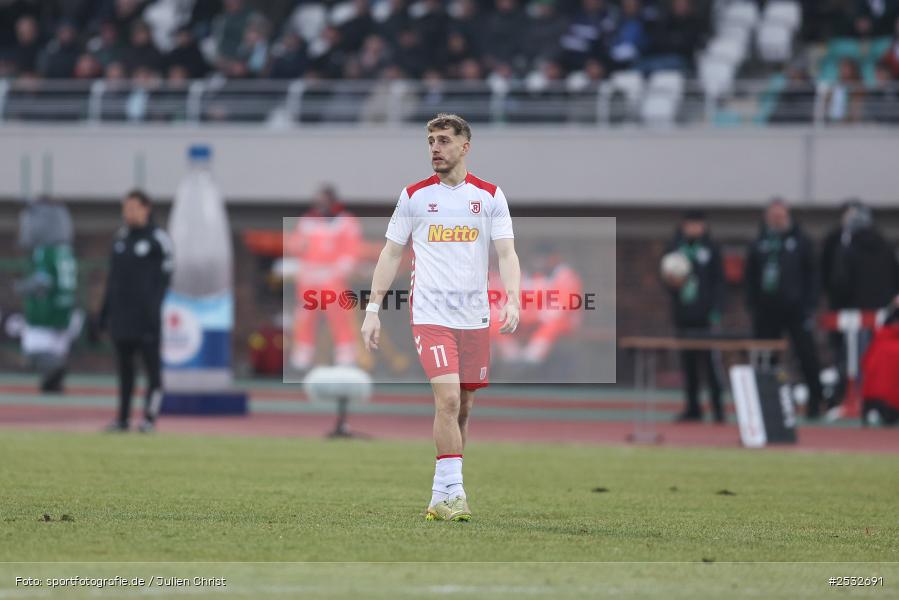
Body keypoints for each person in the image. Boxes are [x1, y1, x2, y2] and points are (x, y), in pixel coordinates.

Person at [360, 113, 521, 522]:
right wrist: (373, 309)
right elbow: (391, 254)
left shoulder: (489, 196)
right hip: (430, 314)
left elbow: (506, 252)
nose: (435, 147)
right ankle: (456, 494)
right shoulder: (414, 196)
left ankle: (440, 494)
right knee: (447, 399)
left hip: (475, 317)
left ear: (465, 146)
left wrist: (514, 299)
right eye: (431, 140)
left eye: (444, 140)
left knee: (464, 406)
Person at [98, 189, 173, 433]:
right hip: (122, 318)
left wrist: (153, 309)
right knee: (125, 371)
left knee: (152, 371)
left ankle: (149, 419)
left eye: (132, 208)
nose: (127, 213)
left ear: (146, 208)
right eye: (125, 208)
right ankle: (122, 419)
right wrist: (104, 313)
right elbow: (112, 280)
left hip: (147, 319)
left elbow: (165, 280)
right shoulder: (120, 239)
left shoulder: (158, 240)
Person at [745, 198, 824, 419]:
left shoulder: (801, 241)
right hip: (767, 310)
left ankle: (816, 402)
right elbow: (750, 276)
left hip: (796, 309)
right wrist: (752, 304)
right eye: (773, 216)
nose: (777, 220)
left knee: (806, 355)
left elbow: (813, 275)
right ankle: (766, 405)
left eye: (780, 216)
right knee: (766, 358)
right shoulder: (760, 241)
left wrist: (809, 304)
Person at [820, 199, 899, 406]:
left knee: (852, 356)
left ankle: (852, 398)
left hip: (853, 310)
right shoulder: (884, 244)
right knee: (874, 356)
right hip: (881, 310)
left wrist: (837, 302)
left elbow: (840, 280)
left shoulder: (847, 247)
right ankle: (875, 398)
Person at [286, 185, 362, 371]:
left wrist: (340, 269)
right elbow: (295, 245)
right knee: (305, 316)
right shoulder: (307, 222)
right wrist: (298, 254)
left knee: (339, 315)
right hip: (310, 279)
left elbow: (352, 250)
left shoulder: (346, 222)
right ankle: (302, 354)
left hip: (332, 278)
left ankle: (345, 353)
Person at [662, 210, 725, 423]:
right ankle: (693, 407)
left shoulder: (711, 249)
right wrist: (672, 284)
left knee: (711, 364)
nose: (694, 229)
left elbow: (719, 281)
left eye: (697, 224)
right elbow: (666, 281)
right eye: (690, 224)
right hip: (683, 314)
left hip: (705, 316)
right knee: (688, 364)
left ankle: (718, 408)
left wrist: (716, 310)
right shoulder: (674, 249)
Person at [15, 196, 81, 393]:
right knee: (55, 348)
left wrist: (22, 287)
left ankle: (54, 371)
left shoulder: (46, 252)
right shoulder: (66, 251)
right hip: (66, 308)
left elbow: (42, 281)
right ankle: (51, 383)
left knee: (34, 348)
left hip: (46, 310)